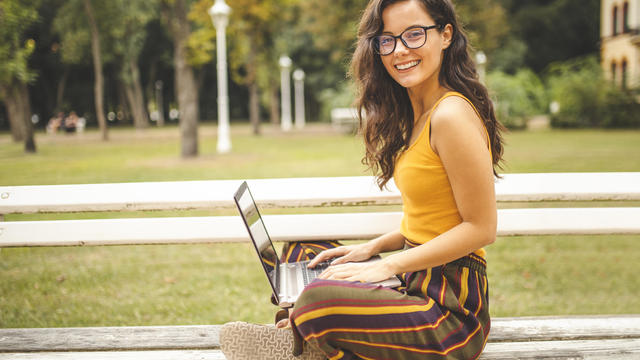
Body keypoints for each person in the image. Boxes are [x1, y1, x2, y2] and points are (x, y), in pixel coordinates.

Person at [220, 0, 504, 358]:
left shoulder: (451, 115)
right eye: (387, 40)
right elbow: (435, 218)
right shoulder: (420, 114)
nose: (400, 50)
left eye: (414, 35)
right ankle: (310, 335)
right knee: (306, 252)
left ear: (445, 35)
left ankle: (307, 337)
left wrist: (386, 266)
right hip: (412, 282)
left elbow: (480, 228)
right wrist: (372, 248)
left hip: (449, 314)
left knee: (318, 300)